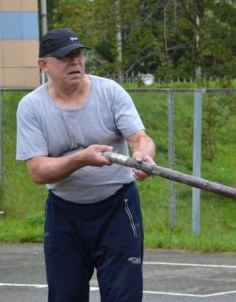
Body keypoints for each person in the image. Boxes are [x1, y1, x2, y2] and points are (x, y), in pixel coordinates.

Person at [16, 28, 156, 302]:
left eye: (78, 55)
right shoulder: (32, 107)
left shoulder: (110, 92)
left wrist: (143, 155)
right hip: (64, 215)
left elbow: (141, 138)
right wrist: (81, 158)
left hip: (117, 210)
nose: (75, 62)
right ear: (43, 65)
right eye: (65, 57)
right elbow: (37, 171)